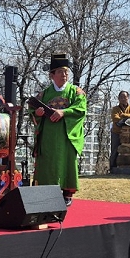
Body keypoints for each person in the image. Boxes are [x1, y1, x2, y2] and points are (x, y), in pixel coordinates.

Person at [31, 53, 87, 206]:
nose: (64, 75)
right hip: (48, 136)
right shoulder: (43, 94)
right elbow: (32, 112)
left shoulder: (76, 92)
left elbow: (81, 109)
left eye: (66, 72)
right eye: (60, 72)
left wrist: (63, 112)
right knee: (48, 163)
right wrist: (38, 113)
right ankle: (46, 194)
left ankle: (67, 194)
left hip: (66, 136)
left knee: (66, 161)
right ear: (52, 75)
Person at [109, 90, 130, 169]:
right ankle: (112, 167)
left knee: (129, 150)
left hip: (128, 133)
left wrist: (123, 115)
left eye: (125, 97)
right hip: (116, 132)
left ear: (128, 98)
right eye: (121, 97)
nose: (123, 99)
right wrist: (128, 117)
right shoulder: (115, 109)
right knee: (114, 150)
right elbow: (115, 118)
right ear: (118, 98)